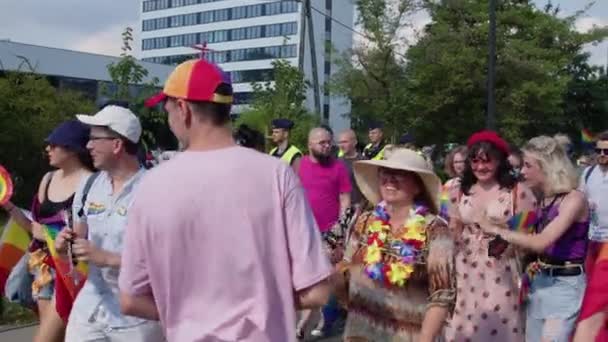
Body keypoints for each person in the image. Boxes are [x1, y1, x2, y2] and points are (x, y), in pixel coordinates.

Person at [118, 59, 333, 341]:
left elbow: (131, 299)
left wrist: (193, 313)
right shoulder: (277, 175)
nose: (168, 118)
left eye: (167, 108)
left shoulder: (151, 185)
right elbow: (317, 291)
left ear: (183, 109)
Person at [54, 106, 164, 342]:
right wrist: (65, 247)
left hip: (136, 320)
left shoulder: (156, 190)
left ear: (117, 145)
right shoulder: (89, 185)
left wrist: (108, 258)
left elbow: (167, 261)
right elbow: (78, 243)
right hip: (89, 312)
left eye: (94, 139)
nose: (88, 146)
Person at [334, 147, 455, 341]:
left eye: (400, 175)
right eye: (385, 173)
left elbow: (442, 294)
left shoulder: (435, 230)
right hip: (361, 332)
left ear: (417, 187)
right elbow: (346, 268)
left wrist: (425, 338)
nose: (390, 179)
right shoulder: (365, 220)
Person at [481, 135, 589, 341]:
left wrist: (496, 230)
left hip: (564, 284)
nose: (522, 172)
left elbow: (542, 241)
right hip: (540, 280)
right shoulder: (542, 200)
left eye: (528, 165)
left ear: (546, 166)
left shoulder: (574, 199)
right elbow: (519, 228)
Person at [1, 120, 94, 342]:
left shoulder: (92, 182)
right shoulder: (48, 178)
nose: (47, 149)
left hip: (70, 269)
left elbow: (90, 230)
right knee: (52, 332)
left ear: (72, 149)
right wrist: (7, 204)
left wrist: (51, 233)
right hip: (41, 265)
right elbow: (35, 229)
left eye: (53, 145)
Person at [444, 130, 537, 342]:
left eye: (487, 161)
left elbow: (526, 237)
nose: (480, 167)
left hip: (501, 273)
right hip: (463, 271)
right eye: (475, 161)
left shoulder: (518, 192)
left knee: (498, 328)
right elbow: (450, 227)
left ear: (500, 161)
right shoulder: (456, 190)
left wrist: (497, 232)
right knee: (462, 329)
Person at [296, 127, 351, 338]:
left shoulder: (338, 167)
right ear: (310, 144)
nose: (327, 146)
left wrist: (341, 228)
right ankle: (320, 317)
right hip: (303, 232)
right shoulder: (299, 166)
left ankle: (308, 324)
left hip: (330, 233)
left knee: (322, 278)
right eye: (322, 143)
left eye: (329, 142)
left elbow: (345, 199)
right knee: (307, 279)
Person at [580, 131, 608, 276]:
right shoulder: (588, 173)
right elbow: (579, 199)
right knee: (590, 281)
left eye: (606, 151)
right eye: (599, 150)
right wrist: (585, 203)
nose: (602, 154)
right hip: (591, 238)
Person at [338, 129, 365, 211]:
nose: (341, 145)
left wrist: (361, 207)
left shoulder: (363, 162)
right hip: (340, 208)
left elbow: (369, 189)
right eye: (340, 142)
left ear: (354, 142)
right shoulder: (336, 162)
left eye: (345, 142)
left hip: (358, 208)